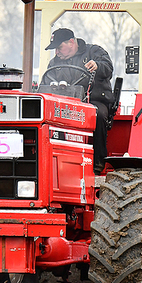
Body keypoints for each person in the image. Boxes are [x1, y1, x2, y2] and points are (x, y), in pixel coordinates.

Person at [43, 28, 114, 174]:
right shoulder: (54, 64)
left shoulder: (94, 52)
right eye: (55, 49)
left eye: (59, 48)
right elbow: (47, 82)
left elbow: (108, 68)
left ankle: (99, 160)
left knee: (98, 115)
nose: (57, 52)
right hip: (66, 103)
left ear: (71, 42)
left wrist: (97, 65)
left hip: (95, 100)